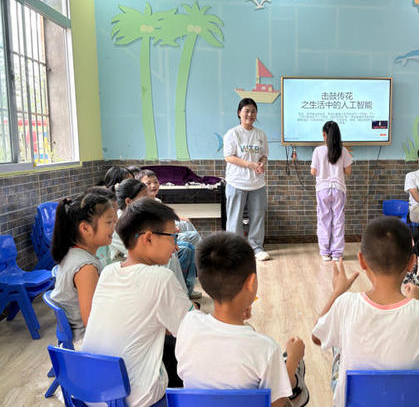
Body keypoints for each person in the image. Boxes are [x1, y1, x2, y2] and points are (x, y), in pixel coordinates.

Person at [312, 217, 419, 407]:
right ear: (411, 262)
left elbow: (317, 336)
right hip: (407, 402)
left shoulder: (345, 303)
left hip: (357, 403)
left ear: (362, 261)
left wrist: (336, 292)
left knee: (338, 346)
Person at [175, 232, 309, 407]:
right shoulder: (266, 349)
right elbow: (277, 403)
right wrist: (293, 359)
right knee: (293, 372)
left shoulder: (188, 324)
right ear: (251, 282)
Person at [82, 198, 194, 407]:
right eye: (173, 237)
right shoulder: (161, 278)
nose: (176, 246)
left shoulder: (109, 272)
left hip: (91, 393)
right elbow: (191, 331)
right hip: (134, 398)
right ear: (148, 238)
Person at [50, 192, 116, 344]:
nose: (114, 226)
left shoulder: (73, 253)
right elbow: (91, 322)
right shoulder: (86, 268)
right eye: (109, 222)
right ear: (85, 228)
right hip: (87, 342)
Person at [109, 179, 188, 292]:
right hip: (127, 260)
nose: (150, 198)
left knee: (173, 253)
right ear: (128, 201)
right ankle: (178, 294)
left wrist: (170, 242)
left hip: (142, 254)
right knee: (169, 258)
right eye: (144, 197)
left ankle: (181, 293)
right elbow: (135, 250)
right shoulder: (120, 223)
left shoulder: (140, 217)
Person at [137, 168, 202, 298]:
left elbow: (167, 219)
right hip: (160, 240)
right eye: (148, 183)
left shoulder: (157, 202)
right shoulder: (142, 205)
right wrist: (172, 232)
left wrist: (176, 223)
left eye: (155, 182)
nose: (153, 185)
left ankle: (195, 276)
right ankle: (187, 285)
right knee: (187, 246)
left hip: (167, 235)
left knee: (190, 231)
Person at [223, 98, 270, 261]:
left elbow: (264, 155)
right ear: (239, 113)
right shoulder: (232, 133)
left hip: (257, 183)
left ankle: (256, 248)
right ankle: (234, 249)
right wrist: (249, 164)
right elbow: (229, 157)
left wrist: (261, 164)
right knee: (234, 218)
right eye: (247, 111)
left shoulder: (261, 134)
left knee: (257, 217)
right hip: (236, 182)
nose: (250, 114)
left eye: (253, 111)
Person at [310, 121, 352, 261]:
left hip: (322, 189)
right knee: (338, 221)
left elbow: (313, 171)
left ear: (324, 135)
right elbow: (348, 171)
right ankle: (337, 254)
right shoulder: (343, 151)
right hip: (338, 189)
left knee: (323, 220)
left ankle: (325, 252)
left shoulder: (318, 151)